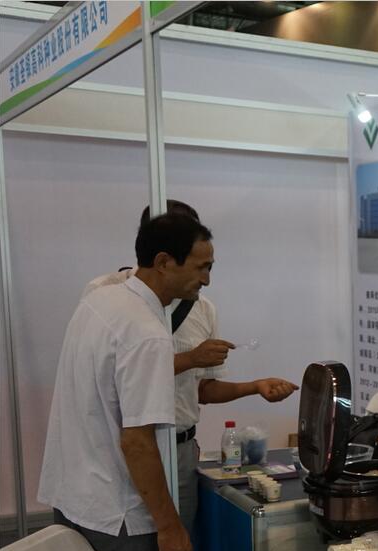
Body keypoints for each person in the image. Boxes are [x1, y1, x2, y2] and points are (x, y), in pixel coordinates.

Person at [37, 214, 216, 551]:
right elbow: (137, 440)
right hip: (118, 508)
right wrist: (169, 524)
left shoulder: (101, 299)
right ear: (163, 262)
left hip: (76, 493)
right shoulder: (144, 330)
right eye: (200, 267)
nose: (206, 279)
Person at [82, 201, 298, 533]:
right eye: (201, 265)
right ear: (162, 255)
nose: (206, 279)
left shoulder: (202, 307)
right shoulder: (108, 296)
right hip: (123, 449)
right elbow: (118, 376)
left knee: (178, 548)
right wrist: (190, 358)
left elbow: (202, 390)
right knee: (141, 544)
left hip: (181, 448)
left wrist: (255, 387)